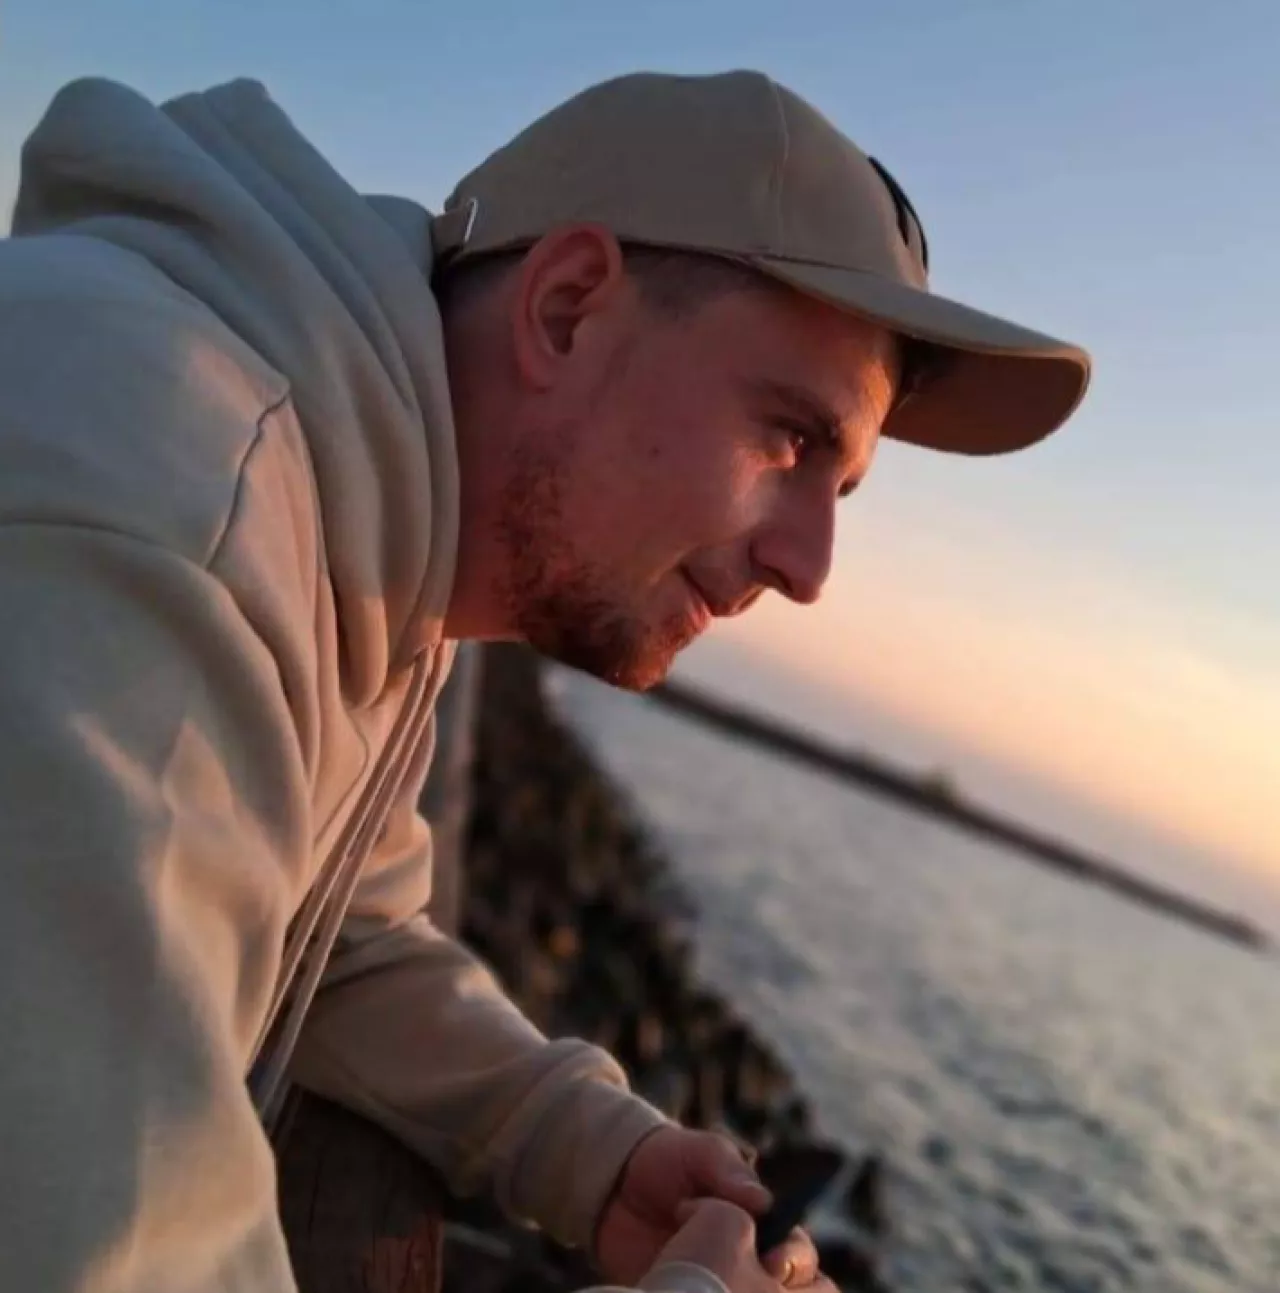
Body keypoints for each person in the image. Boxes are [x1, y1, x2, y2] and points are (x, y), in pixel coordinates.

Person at [0, 68, 1089, 1293]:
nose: (808, 568)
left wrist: (585, 1148)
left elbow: (336, 933)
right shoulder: (170, 513)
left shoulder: (373, 549)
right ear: (568, 309)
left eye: (837, 492)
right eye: (789, 437)